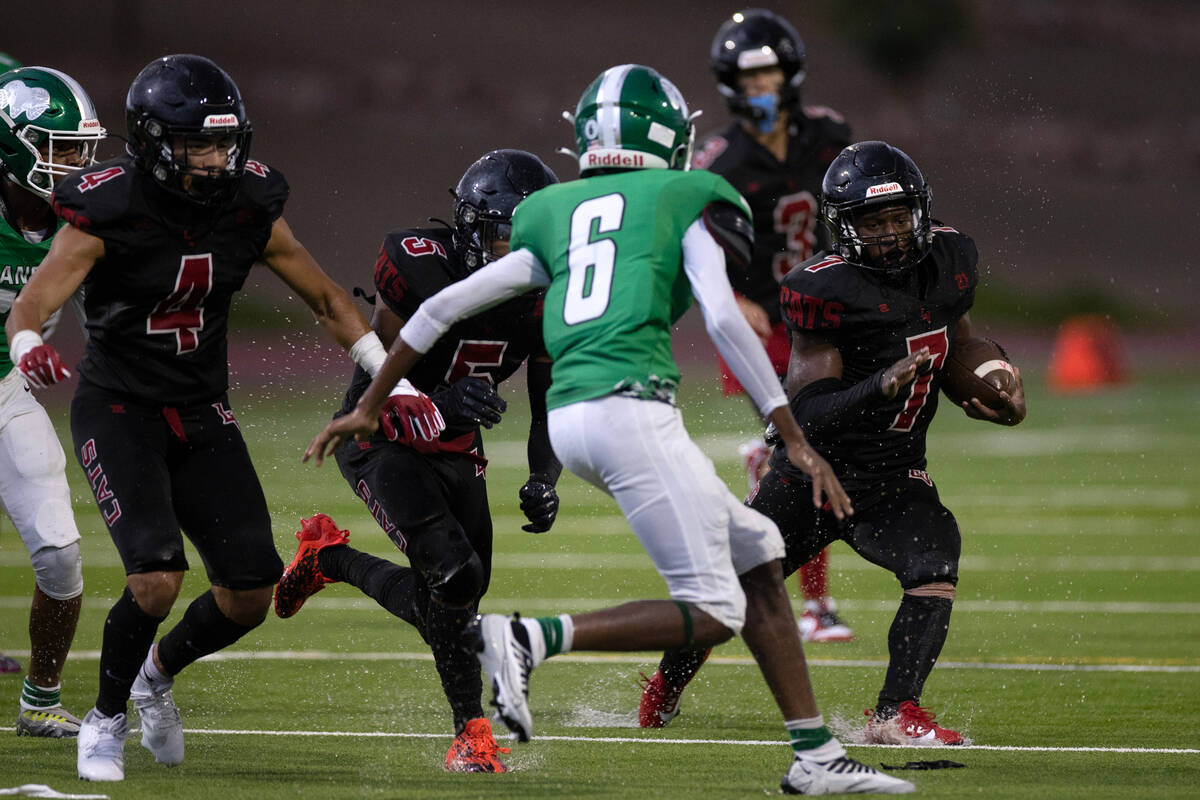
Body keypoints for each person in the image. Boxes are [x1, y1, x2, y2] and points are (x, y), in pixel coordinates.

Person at [306, 64, 914, 796]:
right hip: (630, 408)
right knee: (714, 609)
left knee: (758, 553)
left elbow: (441, 310)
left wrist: (372, 399)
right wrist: (790, 432)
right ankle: (527, 640)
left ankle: (813, 757)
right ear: (667, 137)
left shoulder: (556, 208)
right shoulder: (689, 193)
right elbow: (723, 317)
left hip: (572, 419)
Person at [5, 53, 442, 782]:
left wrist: (388, 382)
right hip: (119, 406)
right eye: (194, 146)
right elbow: (33, 301)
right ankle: (105, 718)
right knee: (156, 580)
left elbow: (331, 302)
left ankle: (155, 673)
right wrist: (24, 345)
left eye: (222, 143)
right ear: (151, 143)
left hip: (201, 407)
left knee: (249, 594)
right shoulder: (108, 203)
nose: (213, 160)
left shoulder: (249, 202)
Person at [643, 140, 1027, 747]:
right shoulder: (823, 288)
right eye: (874, 223)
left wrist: (997, 376)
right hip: (813, 476)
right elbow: (808, 413)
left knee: (934, 563)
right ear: (843, 228)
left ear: (921, 211)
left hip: (894, 473)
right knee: (729, 599)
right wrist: (877, 386)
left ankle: (896, 713)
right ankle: (664, 686)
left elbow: (962, 341)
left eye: (900, 216)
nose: (892, 234)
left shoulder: (951, 256)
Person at [273, 149, 562, 774]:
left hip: (457, 446)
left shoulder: (547, 295)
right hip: (382, 430)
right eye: (502, 233)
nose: (515, 249)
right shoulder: (421, 264)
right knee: (454, 582)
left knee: (460, 593)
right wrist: (439, 397)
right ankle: (470, 734)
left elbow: (550, 404)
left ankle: (330, 558)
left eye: (529, 235)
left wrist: (545, 477)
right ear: (468, 227)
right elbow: (383, 358)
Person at [693, 8, 855, 654]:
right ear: (732, 83)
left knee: (823, 441)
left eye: (770, 74)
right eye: (750, 77)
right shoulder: (721, 158)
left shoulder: (829, 134)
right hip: (761, 317)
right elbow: (692, 241)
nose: (762, 88)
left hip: (821, 310)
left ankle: (770, 463)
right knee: (809, 446)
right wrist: (730, 295)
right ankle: (812, 603)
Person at [0, 65, 106, 737]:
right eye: (59, 147)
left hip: (5, 391)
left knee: (62, 555)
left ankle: (40, 701)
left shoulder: (91, 217)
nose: (75, 164)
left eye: (80, 150)